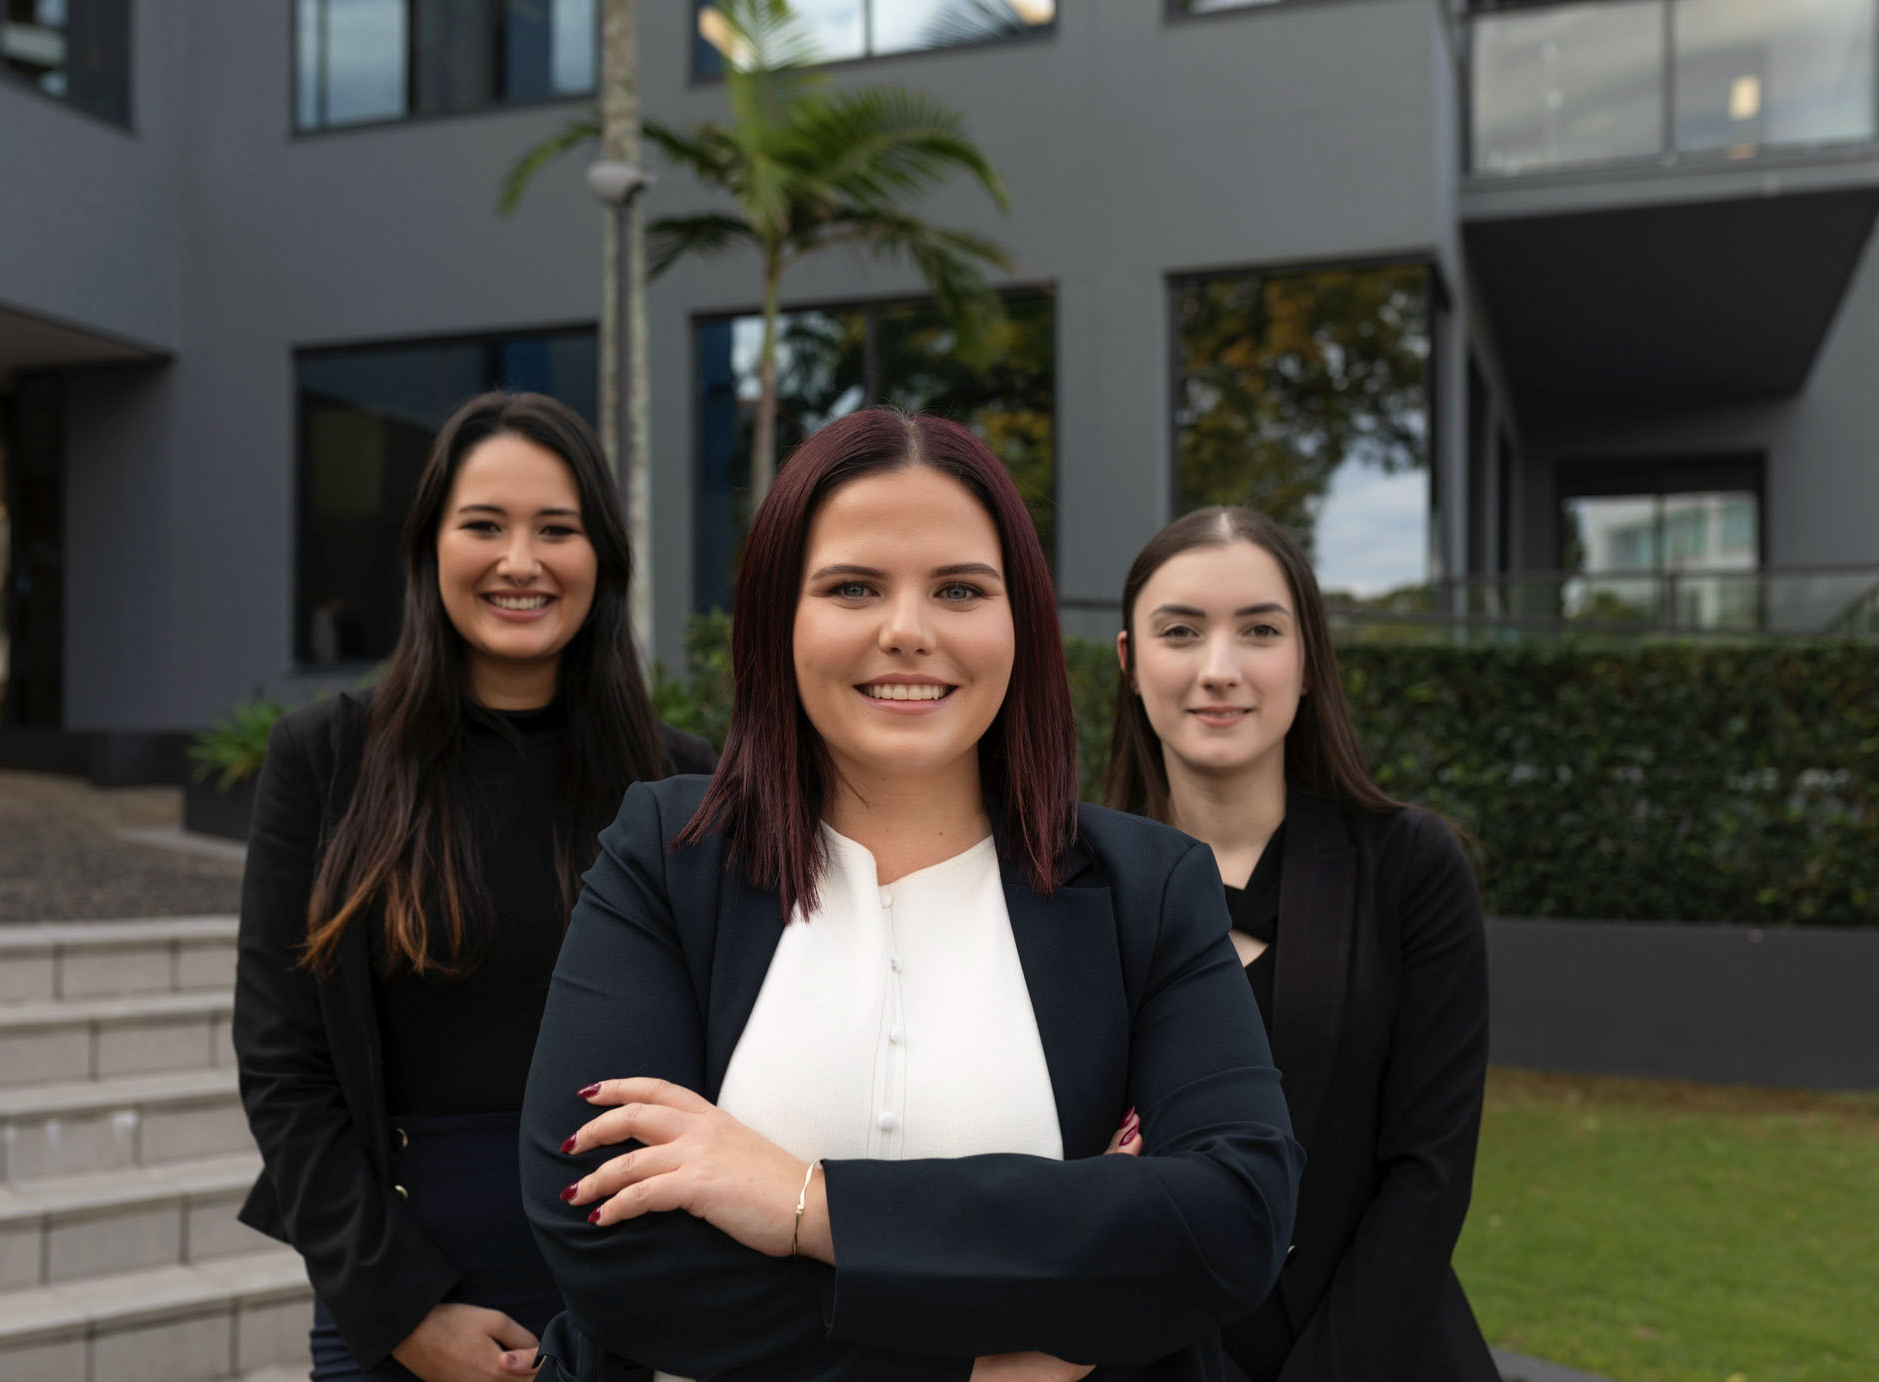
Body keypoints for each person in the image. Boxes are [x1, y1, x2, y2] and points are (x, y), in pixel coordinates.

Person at [517, 407, 1302, 1382]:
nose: (907, 630)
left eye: (960, 588)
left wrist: (808, 1203)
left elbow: (1232, 1220)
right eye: (853, 586)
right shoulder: (666, 856)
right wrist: (982, 1357)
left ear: (1020, 619)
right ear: (778, 617)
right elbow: (604, 1237)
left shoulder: (1151, 886)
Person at [234, 391, 716, 1381]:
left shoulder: (683, 785)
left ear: (603, 559)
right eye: (484, 525)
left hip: (625, 1276)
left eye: (557, 529)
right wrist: (407, 1308)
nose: (520, 561)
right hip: (400, 1277)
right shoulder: (327, 759)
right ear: (430, 547)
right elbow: (286, 1069)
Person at [1104, 506, 1498, 1382]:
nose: (1219, 670)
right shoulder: (1071, 884)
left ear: (1309, 658)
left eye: (1259, 631)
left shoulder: (1408, 869)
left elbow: (1427, 1173)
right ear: (1131, 663)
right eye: (1180, 632)